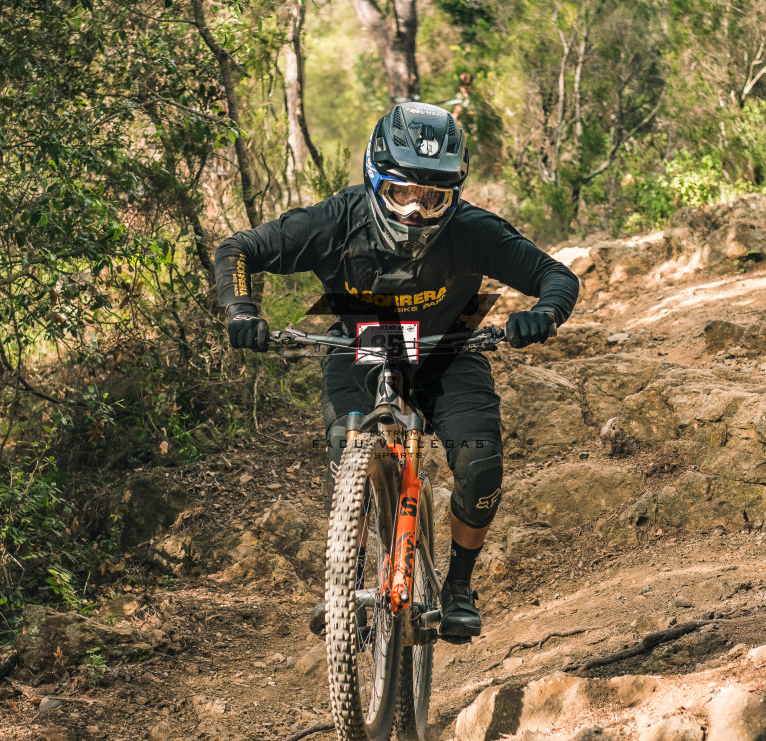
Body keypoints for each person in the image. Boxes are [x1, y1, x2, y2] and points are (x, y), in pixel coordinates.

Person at [214, 103, 578, 641]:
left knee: (480, 464)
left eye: (435, 199)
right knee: (347, 445)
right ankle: (346, 582)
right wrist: (242, 312)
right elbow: (238, 249)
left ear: (455, 195)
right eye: (400, 193)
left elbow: (555, 275)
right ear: (373, 180)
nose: (415, 211)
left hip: (450, 345)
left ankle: (457, 586)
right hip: (361, 344)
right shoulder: (336, 219)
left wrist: (542, 314)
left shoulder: (473, 229)